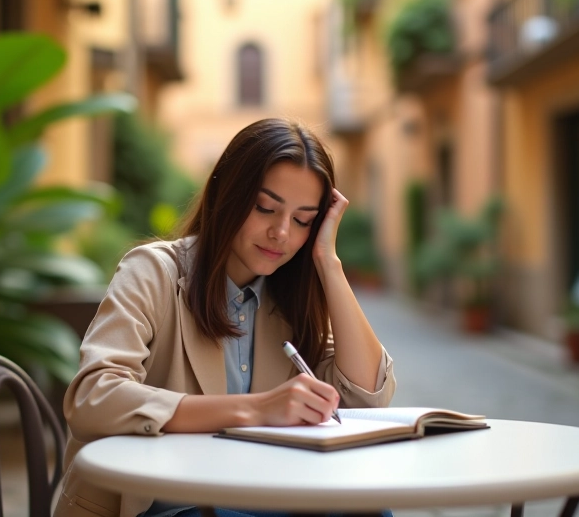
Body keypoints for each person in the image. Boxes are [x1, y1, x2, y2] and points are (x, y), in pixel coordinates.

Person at [55, 118, 397, 517]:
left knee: (369, 510)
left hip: (258, 496)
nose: (281, 233)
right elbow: (93, 397)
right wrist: (253, 409)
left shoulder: (290, 297)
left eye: (303, 220)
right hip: (161, 504)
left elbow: (366, 395)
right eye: (265, 208)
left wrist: (328, 262)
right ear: (227, 194)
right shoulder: (154, 272)